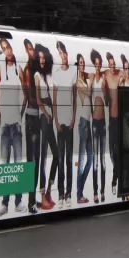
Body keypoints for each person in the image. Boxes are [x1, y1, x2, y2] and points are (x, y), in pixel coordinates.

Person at [0, 38, 23, 217]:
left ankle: (18, 201)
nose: (7, 51)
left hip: (16, 126)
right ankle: (5, 203)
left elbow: (26, 95)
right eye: (3, 49)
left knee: (18, 165)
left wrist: (20, 115)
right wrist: (0, 117)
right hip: (5, 127)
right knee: (5, 166)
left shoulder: (18, 70)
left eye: (8, 47)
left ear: (12, 48)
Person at [52, 41, 77, 209]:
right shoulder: (56, 74)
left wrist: (73, 119)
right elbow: (54, 101)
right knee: (60, 159)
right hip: (60, 123)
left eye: (65, 52)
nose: (64, 55)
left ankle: (69, 193)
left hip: (69, 122)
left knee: (68, 160)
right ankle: (60, 193)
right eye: (60, 53)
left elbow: (75, 99)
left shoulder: (73, 73)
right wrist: (56, 122)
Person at [34, 44, 59, 210]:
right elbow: (37, 100)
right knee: (43, 157)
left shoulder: (50, 76)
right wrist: (47, 113)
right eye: (40, 58)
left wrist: (55, 117)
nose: (42, 60)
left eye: (44, 58)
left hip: (50, 117)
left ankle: (49, 189)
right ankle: (42, 193)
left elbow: (54, 97)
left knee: (56, 154)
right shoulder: (37, 75)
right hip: (43, 117)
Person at [20, 39, 40, 214]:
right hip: (32, 117)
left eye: (32, 49)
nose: (31, 52)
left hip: (39, 117)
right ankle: (31, 202)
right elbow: (28, 98)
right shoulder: (28, 70)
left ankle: (34, 199)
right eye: (28, 49)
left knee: (38, 159)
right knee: (32, 160)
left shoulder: (37, 69)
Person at [74, 54, 93, 205]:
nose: (82, 65)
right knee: (81, 161)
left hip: (90, 123)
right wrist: (91, 81)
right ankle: (78, 194)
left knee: (90, 159)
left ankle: (79, 192)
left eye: (83, 63)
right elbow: (88, 92)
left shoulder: (85, 80)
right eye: (80, 63)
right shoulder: (78, 82)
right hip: (83, 123)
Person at [104, 52, 124, 197]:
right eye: (110, 65)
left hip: (119, 120)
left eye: (113, 65)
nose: (112, 67)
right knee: (111, 151)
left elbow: (125, 73)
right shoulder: (106, 75)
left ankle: (114, 182)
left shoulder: (118, 76)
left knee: (116, 153)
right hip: (111, 120)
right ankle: (118, 174)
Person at [90, 50, 108, 203]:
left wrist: (104, 91)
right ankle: (95, 191)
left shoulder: (103, 80)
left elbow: (107, 101)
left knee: (102, 159)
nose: (97, 67)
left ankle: (102, 191)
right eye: (96, 64)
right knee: (96, 159)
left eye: (99, 64)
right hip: (95, 123)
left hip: (103, 122)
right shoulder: (91, 80)